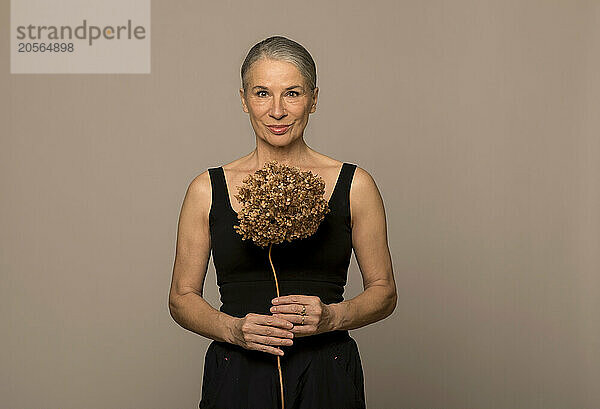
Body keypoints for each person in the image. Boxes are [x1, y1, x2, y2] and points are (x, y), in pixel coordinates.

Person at [168, 35, 397, 409]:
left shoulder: (355, 185)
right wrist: (234, 330)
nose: (277, 111)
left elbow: (384, 291)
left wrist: (334, 316)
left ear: (314, 99)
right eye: (262, 93)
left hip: (327, 370)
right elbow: (180, 298)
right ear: (243, 100)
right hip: (238, 371)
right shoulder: (206, 190)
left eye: (292, 93)